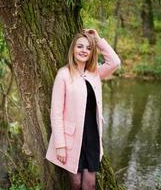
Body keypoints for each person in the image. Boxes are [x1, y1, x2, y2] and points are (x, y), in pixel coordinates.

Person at [45, 29, 121, 190]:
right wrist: (60, 145)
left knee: (89, 184)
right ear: (73, 49)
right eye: (80, 46)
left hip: (92, 135)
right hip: (71, 139)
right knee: (76, 183)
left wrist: (98, 40)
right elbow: (56, 112)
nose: (84, 51)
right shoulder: (64, 74)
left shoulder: (95, 73)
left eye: (88, 48)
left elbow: (115, 62)